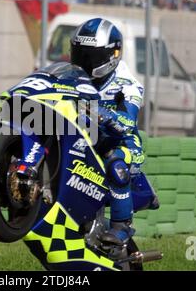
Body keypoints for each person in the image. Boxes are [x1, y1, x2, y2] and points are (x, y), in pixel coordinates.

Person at [70, 18, 158, 247]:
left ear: (112, 55)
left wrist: (106, 115)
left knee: (116, 163)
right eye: (81, 54)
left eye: (92, 56)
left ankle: (122, 226)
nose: (85, 62)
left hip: (121, 142)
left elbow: (128, 123)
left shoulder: (127, 84)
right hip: (84, 135)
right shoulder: (73, 75)